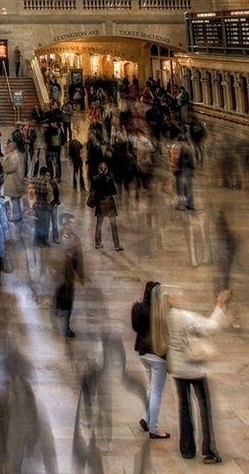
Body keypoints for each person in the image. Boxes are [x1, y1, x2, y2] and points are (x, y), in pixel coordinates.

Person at [166, 287, 231, 463]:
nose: (182, 298)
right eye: (179, 296)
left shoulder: (167, 317)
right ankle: (208, 451)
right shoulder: (183, 316)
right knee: (204, 408)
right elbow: (211, 327)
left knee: (184, 408)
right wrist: (219, 304)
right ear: (172, 300)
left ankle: (187, 449)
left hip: (178, 369)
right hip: (194, 369)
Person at [131, 281, 170, 439]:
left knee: (151, 388)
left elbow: (135, 327)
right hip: (157, 356)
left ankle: (146, 418)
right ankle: (154, 428)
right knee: (156, 392)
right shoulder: (160, 312)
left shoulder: (137, 308)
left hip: (142, 353)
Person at [90, 161, 123, 252]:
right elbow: (114, 192)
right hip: (109, 204)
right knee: (113, 225)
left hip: (100, 204)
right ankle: (116, 245)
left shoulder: (94, 178)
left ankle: (98, 243)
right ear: (106, 170)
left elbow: (92, 191)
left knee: (99, 224)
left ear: (98, 169)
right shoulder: (109, 179)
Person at [3, 140, 25, 221]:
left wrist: (5, 168)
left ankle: (17, 216)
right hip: (13, 181)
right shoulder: (13, 155)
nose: (7, 148)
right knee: (14, 199)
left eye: (9, 146)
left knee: (14, 199)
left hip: (14, 181)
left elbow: (12, 168)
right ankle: (17, 215)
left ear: (12, 147)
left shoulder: (14, 156)